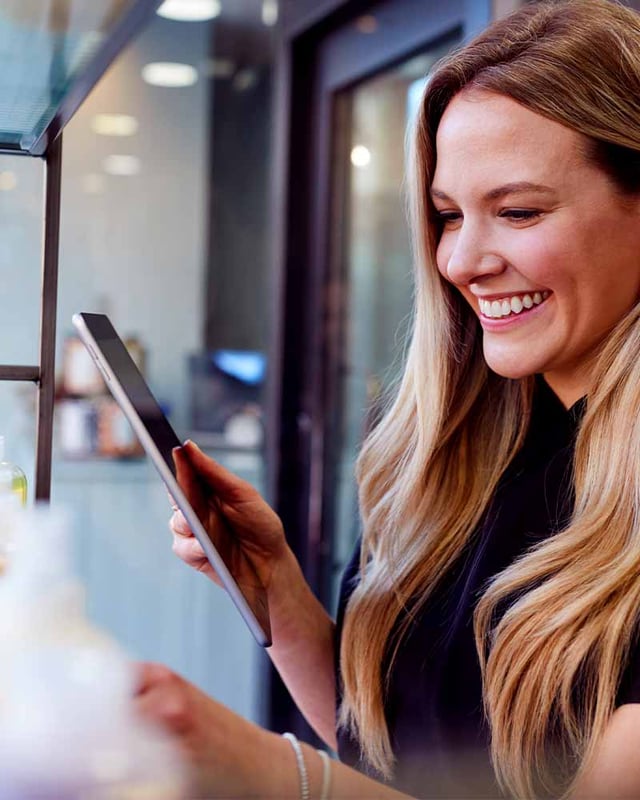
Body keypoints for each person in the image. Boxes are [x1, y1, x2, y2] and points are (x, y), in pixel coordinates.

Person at [134, 0, 640, 797]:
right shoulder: (448, 455)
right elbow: (384, 743)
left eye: (517, 211)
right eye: (447, 217)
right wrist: (279, 593)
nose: (463, 261)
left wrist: (278, 774)